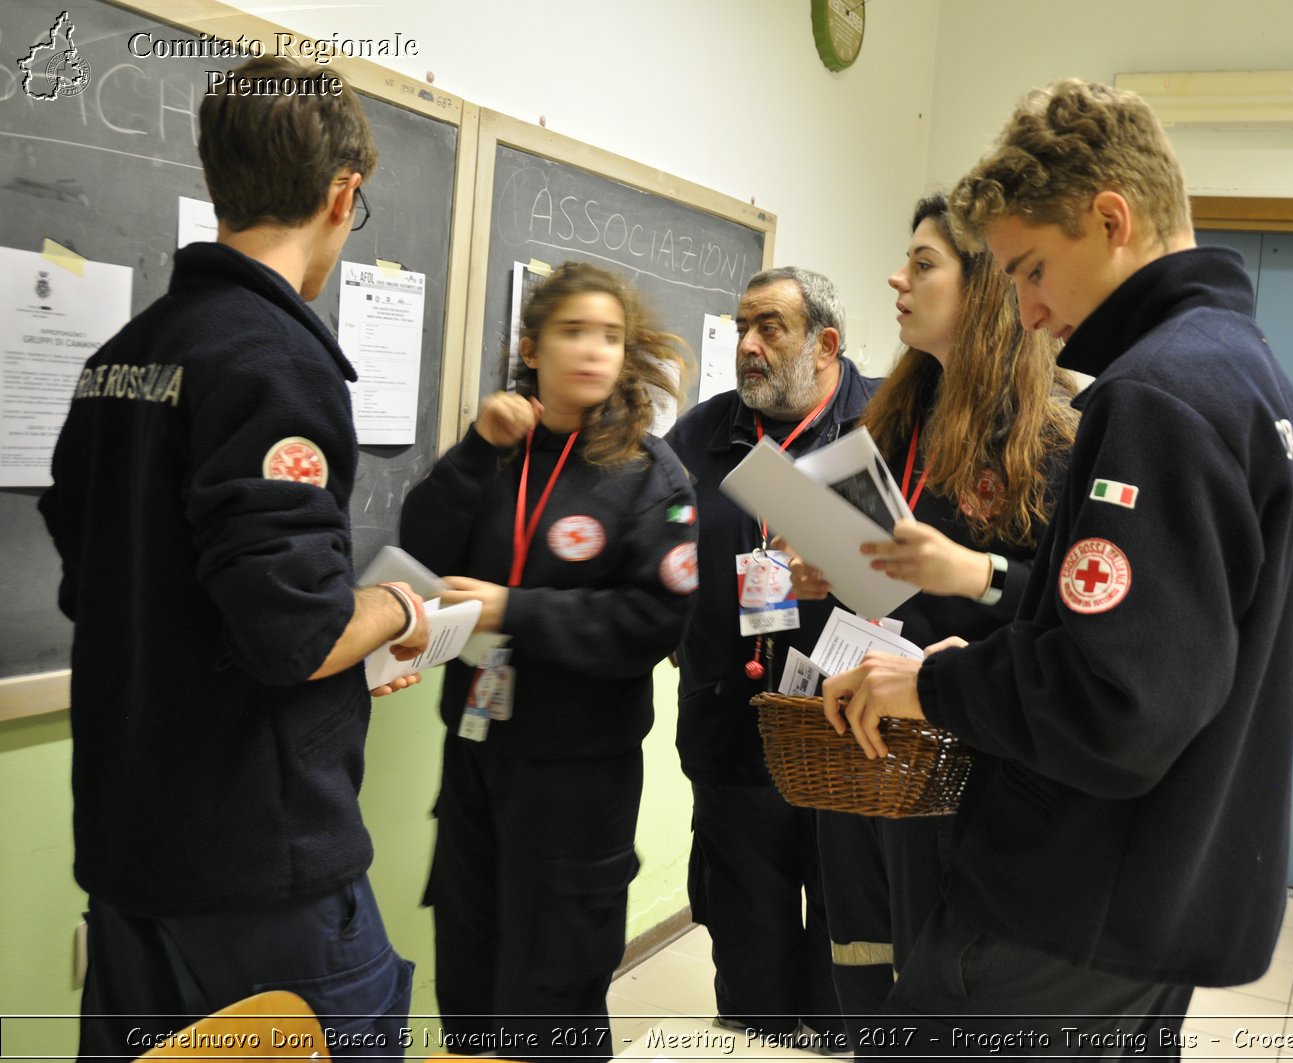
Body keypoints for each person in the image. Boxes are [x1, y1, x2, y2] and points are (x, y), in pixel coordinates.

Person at [822, 78, 1293, 1056]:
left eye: (1028, 269)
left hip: (1067, 906)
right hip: (1155, 899)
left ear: (1111, 218)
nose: (1025, 306)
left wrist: (931, 681)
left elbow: (1112, 700)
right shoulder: (1262, 385)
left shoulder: (1156, 395)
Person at [38, 55, 427, 1063]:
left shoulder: (118, 359)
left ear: (220, 181)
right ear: (343, 197)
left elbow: (95, 582)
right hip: (259, 872)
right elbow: (294, 635)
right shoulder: (275, 360)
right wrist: (394, 612)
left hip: (133, 844)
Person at [782, 194, 1076, 1034]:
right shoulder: (892, 422)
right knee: (862, 977)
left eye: (922, 263)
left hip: (964, 769)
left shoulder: (1049, 439)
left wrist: (974, 576)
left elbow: (1056, 610)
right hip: (860, 751)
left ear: (982, 286)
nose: (897, 278)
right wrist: (824, 572)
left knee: (943, 1004)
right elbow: (885, 585)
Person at [399, 262, 697, 1059]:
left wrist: (512, 610)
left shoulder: (649, 473)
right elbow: (419, 553)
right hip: (476, 752)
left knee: (551, 998)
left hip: (577, 777)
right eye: (574, 332)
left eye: (611, 335)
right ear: (531, 346)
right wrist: (472, 447)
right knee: (468, 976)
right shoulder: (499, 450)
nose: (595, 350)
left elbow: (654, 621)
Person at [664, 267, 876, 1050]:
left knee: (844, 917)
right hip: (731, 718)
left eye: (769, 328)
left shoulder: (885, 421)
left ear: (825, 344)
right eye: (741, 326)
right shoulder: (699, 435)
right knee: (745, 916)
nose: (746, 346)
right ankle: (754, 1028)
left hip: (847, 725)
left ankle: (832, 1033)